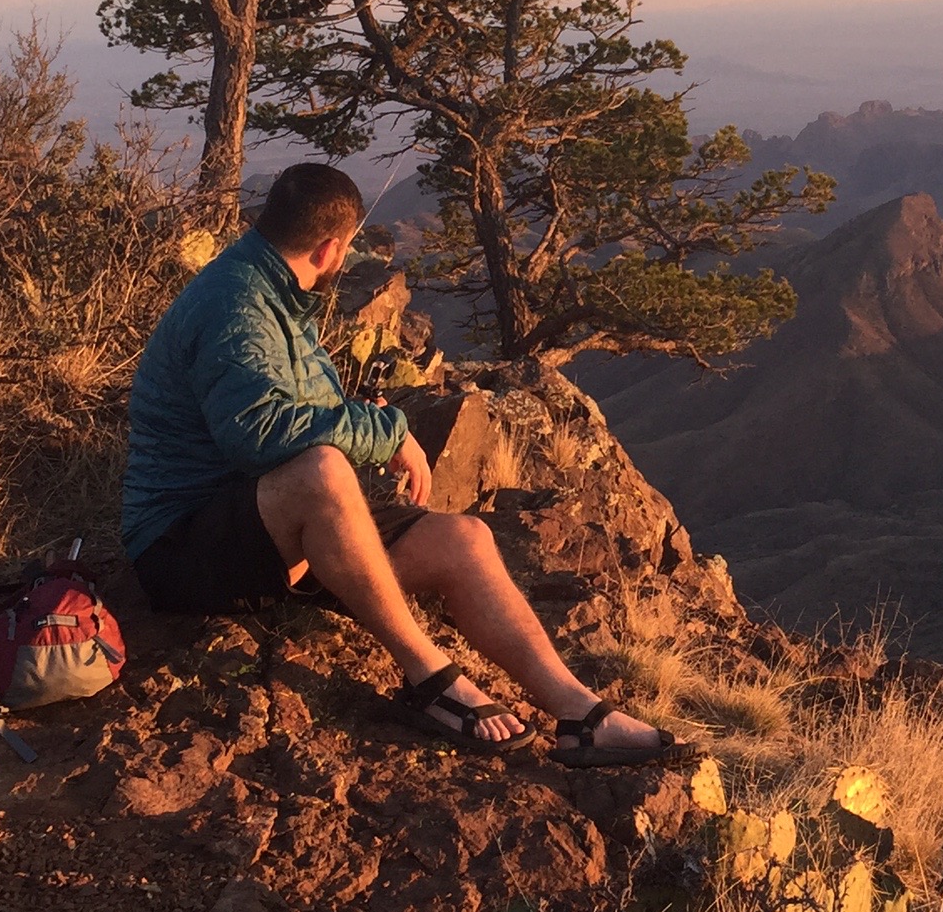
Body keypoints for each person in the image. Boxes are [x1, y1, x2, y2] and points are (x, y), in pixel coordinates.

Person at [122, 162, 679, 766]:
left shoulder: (272, 291)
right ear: (333, 248)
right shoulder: (238, 306)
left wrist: (360, 419)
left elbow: (284, 405)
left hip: (266, 530)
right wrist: (386, 433)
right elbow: (260, 436)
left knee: (465, 538)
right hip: (182, 547)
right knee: (325, 472)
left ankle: (577, 711)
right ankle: (427, 677)